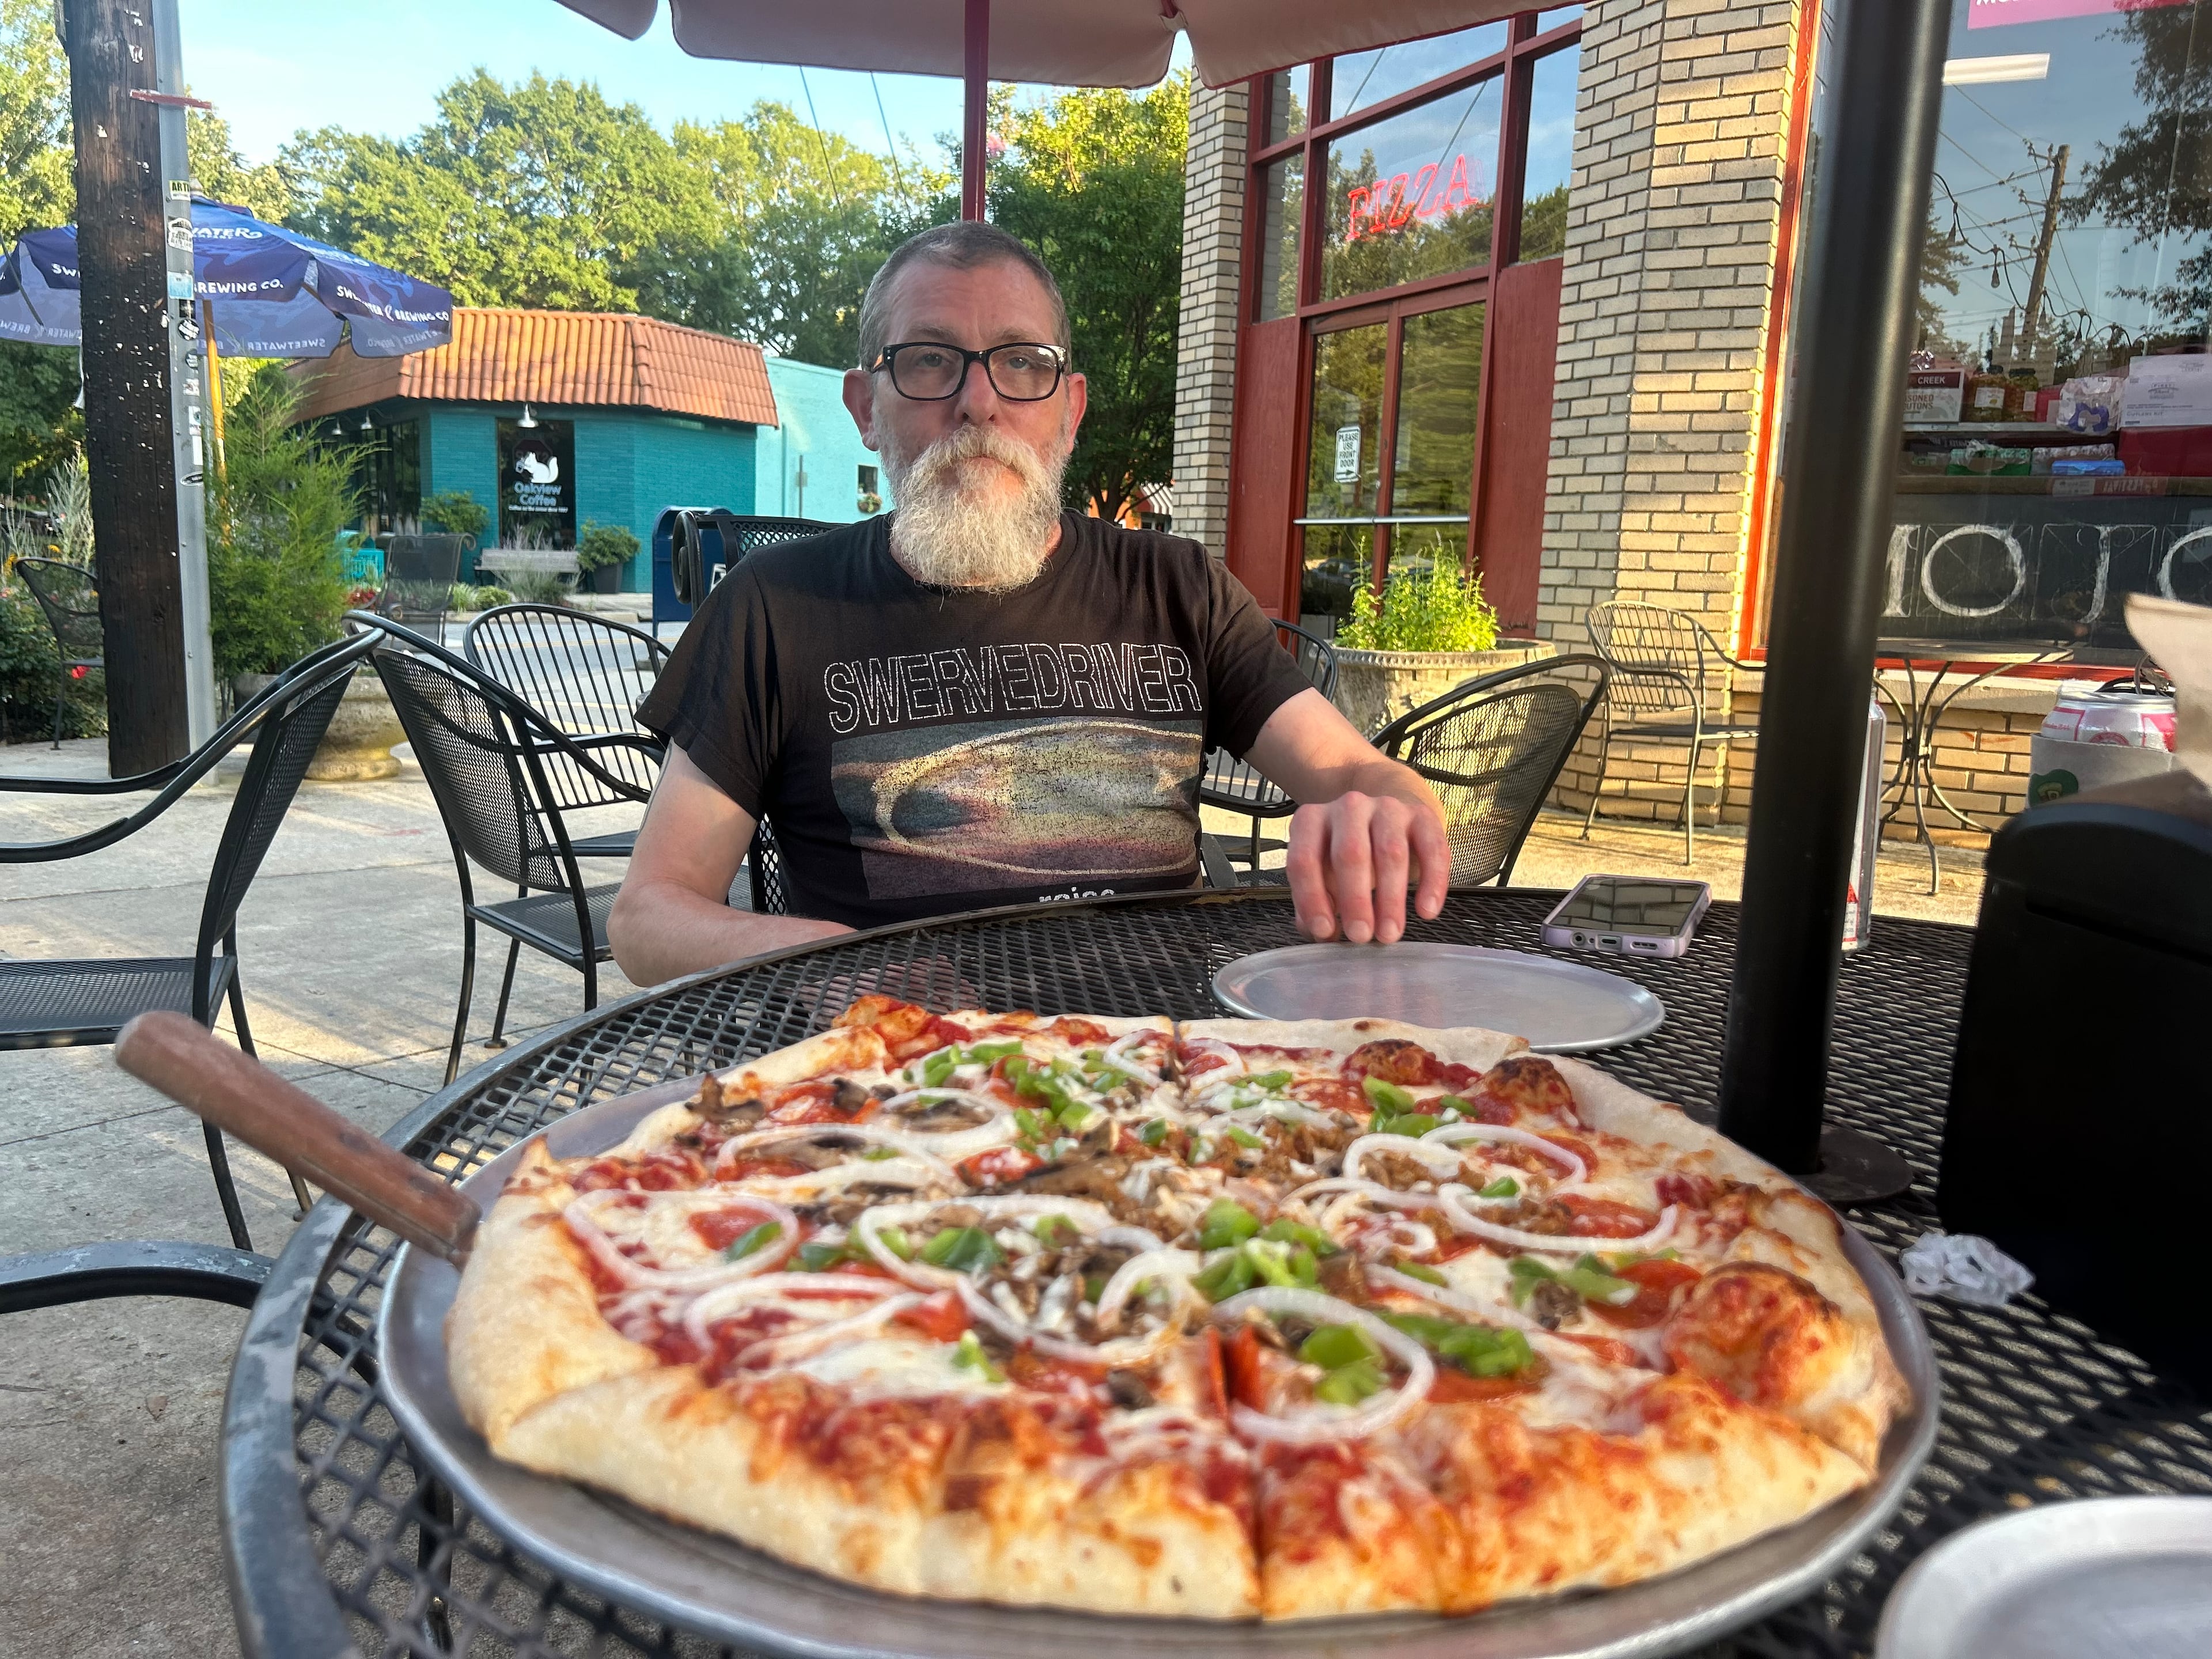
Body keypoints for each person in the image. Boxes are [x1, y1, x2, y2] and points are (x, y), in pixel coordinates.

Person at [609, 223, 1450, 987]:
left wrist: (1379, 805)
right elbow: (648, 921)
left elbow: (1357, 774)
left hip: (1169, 1073)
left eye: (1022, 362)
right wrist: (840, 964)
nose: (980, 402)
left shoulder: (1177, 587)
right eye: (930, 359)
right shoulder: (772, 606)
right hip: (900, 1081)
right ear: (866, 409)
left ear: (1070, 409)